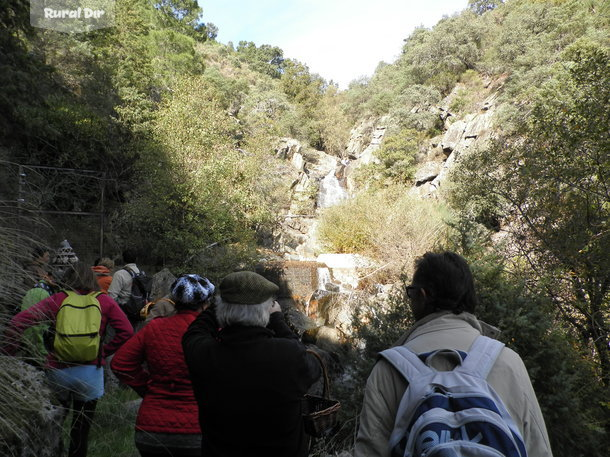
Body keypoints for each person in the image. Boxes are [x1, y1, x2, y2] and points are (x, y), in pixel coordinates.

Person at [354, 251, 553, 457]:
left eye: (411, 293)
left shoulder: (388, 369)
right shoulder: (509, 361)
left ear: (422, 296)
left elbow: (369, 452)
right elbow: (538, 448)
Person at [182, 271, 321, 457]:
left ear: (221, 309)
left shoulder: (204, 354)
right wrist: (278, 319)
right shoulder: (288, 355)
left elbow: (195, 331)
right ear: (266, 311)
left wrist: (224, 302)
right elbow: (309, 362)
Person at [2, 262, 134, 457]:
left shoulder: (58, 299)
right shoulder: (104, 301)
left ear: (68, 279)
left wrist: (8, 353)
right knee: (81, 430)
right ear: (92, 280)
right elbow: (127, 331)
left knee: (55, 425)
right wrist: (103, 352)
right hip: (90, 374)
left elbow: (19, 321)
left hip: (58, 371)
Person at [111, 274, 215, 457]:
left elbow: (120, 363)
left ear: (174, 300)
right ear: (205, 303)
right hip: (197, 428)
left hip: (151, 429)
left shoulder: (154, 328)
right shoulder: (212, 333)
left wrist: (148, 388)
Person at [108, 249, 141, 328]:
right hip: (136, 310)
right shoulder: (140, 273)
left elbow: (111, 296)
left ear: (123, 259)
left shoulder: (119, 274)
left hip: (122, 311)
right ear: (136, 259)